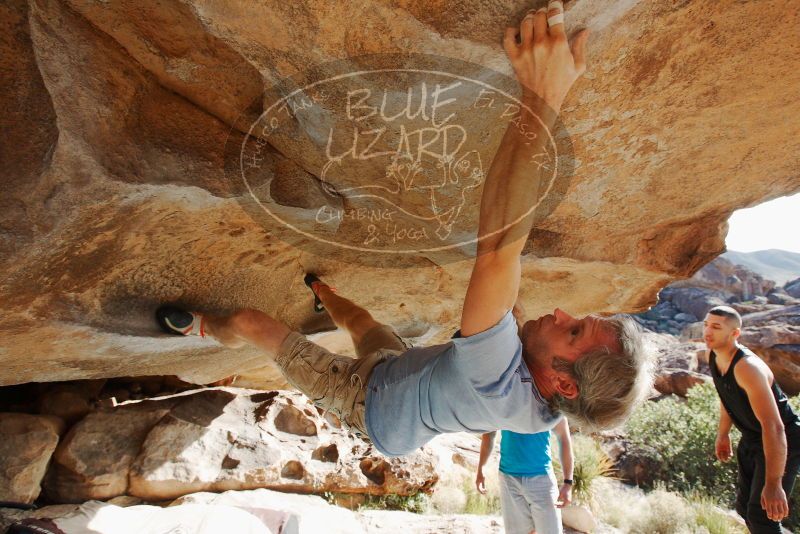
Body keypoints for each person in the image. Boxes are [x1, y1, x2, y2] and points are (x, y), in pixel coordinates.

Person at [155, 1, 652, 458]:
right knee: (362, 323)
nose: (563, 312)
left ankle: (208, 329)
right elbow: (509, 302)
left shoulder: (493, 380)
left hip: (364, 403)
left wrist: (543, 95)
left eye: (574, 329)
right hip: (399, 372)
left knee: (249, 322)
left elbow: (499, 252)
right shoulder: (544, 411)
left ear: (564, 383)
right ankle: (320, 290)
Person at [705, 305, 800, 533]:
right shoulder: (715, 355)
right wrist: (723, 433)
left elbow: (774, 426)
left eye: (716, 327)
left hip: (782, 439)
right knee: (745, 509)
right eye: (706, 324)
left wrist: (774, 482)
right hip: (753, 438)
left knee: (763, 515)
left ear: (735, 333)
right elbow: (727, 396)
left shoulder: (747, 367)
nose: (708, 331)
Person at [476, 417, 574, 534]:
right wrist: (481, 468)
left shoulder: (550, 402)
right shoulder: (502, 400)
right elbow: (489, 435)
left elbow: (563, 438)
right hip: (508, 480)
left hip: (542, 480)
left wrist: (568, 482)